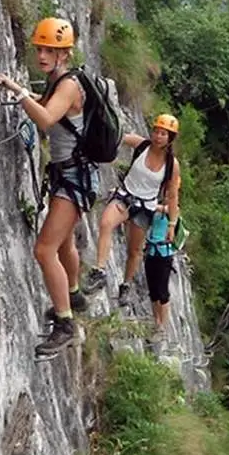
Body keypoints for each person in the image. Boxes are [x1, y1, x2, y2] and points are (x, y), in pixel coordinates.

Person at [0, 17, 98, 361]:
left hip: (74, 179)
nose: (41, 55)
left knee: (44, 250)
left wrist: (17, 90)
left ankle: (66, 325)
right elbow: (46, 106)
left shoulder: (68, 85)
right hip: (70, 175)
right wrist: (25, 97)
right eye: (39, 48)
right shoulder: (60, 80)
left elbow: (46, 119)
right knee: (65, 241)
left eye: (49, 50)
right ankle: (74, 294)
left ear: (64, 54)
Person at [83, 115, 181, 305]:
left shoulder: (172, 164)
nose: (158, 136)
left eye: (163, 134)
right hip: (126, 196)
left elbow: (172, 195)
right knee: (105, 223)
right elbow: (119, 137)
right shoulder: (141, 145)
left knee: (134, 251)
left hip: (145, 207)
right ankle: (100, 270)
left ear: (170, 139)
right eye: (156, 132)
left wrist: (172, 223)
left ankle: (126, 285)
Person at [144, 199, 179, 344]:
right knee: (153, 292)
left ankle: (162, 328)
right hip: (151, 252)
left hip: (164, 254)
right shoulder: (156, 208)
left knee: (162, 292)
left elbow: (172, 210)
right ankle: (156, 323)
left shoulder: (172, 210)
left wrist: (151, 206)